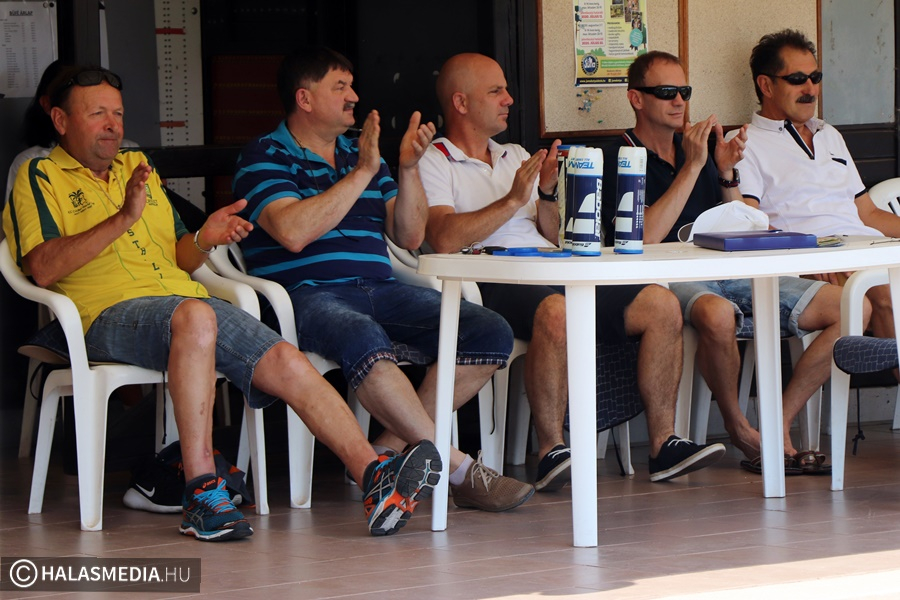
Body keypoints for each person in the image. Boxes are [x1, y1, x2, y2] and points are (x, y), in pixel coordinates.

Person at [3, 65, 445, 541]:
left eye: (119, 114)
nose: (113, 126)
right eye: (97, 114)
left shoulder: (137, 167)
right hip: (103, 315)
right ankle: (201, 492)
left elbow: (180, 254)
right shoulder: (38, 174)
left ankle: (373, 476)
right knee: (195, 317)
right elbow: (43, 267)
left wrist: (205, 238)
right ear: (60, 120)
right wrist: (122, 218)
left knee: (285, 359)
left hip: (183, 306)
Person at [232, 47, 534, 513]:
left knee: (487, 329)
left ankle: (387, 452)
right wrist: (363, 173)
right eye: (340, 87)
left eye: (352, 85)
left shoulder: (361, 154)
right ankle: (458, 468)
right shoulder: (263, 155)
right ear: (304, 98)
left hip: (381, 289)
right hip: (307, 295)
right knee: (363, 336)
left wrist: (407, 169)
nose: (354, 96)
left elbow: (410, 235)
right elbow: (292, 231)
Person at [419, 52, 725, 487]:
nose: (509, 99)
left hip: (553, 268)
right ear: (461, 102)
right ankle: (551, 450)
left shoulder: (514, 154)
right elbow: (444, 237)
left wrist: (545, 194)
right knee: (557, 311)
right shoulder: (435, 159)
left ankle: (663, 444)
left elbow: (553, 234)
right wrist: (512, 199)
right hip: (492, 278)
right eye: (496, 91)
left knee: (661, 304)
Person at [599, 51, 859, 472]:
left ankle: (776, 420)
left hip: (728, 268)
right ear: (636, 99)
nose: (679, 100)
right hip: (666, 279)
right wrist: (694, 166)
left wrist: (725, 172)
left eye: (684, 91)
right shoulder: (619, 156)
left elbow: (741, 221)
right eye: (666, 91)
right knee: (718, 315)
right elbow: (645, 237)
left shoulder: (696, 149)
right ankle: (738, 427)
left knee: (849, 307)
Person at [735, 29, 900, 342]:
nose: (811, 89)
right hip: (819, 259)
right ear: (766, 85)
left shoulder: (830, 135)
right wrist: (809, 254)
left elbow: (867, 213)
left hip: (869, 249)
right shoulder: (745, 143)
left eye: (816, 77)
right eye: (798, 79)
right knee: (888, 295)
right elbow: (750, 222)